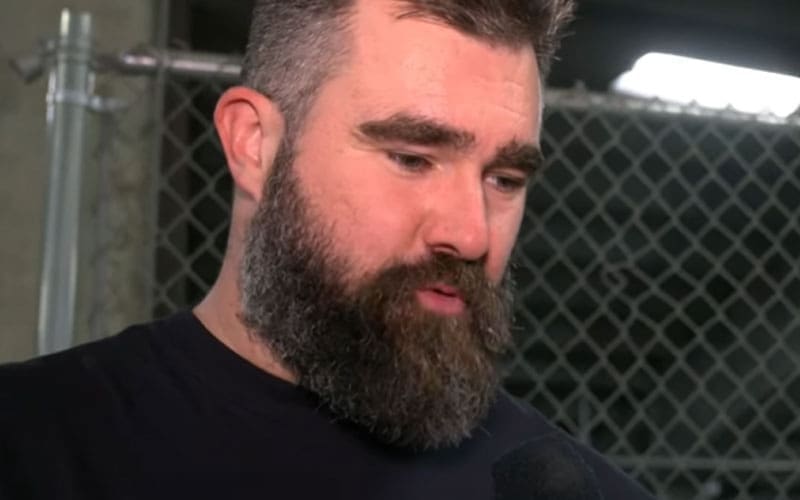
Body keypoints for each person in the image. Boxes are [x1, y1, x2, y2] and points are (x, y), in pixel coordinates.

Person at [0, 1, 654, 498]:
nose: (472, 233)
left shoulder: (568, 488)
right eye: (412, 158)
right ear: (253, 144)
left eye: (504, 179)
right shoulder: (32, 445)